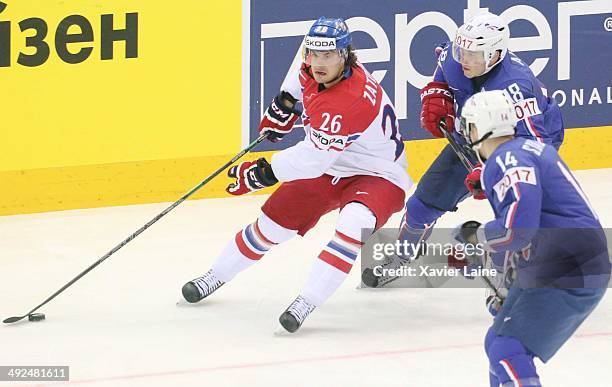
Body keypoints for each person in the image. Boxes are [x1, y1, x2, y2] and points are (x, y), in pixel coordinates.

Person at [181, 17, 411, 333]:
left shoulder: (348, 100)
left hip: (379, 174)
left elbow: (313, 159)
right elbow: (300, 76)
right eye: (313, 53)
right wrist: (286, 102)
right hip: (333, 164)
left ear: (345, 54)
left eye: (327, 55)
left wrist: (264, 171)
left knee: (353, 223)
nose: (318, 62)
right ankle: (215, 276)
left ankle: (306, 301)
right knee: (272, 226)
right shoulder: (316, 67)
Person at [362, 11, 565, 287]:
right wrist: (438, 92)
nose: (464, 59)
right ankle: (402, 257)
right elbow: (444, 68)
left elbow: (535, 147)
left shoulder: (516, 88)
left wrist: (492, 173)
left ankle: (533, 266)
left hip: (522, 146)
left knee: (519, 218)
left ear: (495, 54)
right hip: (473, 137)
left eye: (474, 54)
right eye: (462, 50)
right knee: (420, 206)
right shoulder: (455, 59)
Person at [456, 89, 610, 386]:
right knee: (498, 342)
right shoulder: (527, 148)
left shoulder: (506, 160)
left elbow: (517, 231)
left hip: (567, 262)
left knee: (506, 349)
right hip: (576, 258)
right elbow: (529, 229)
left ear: (477, 128)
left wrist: (476, 237)